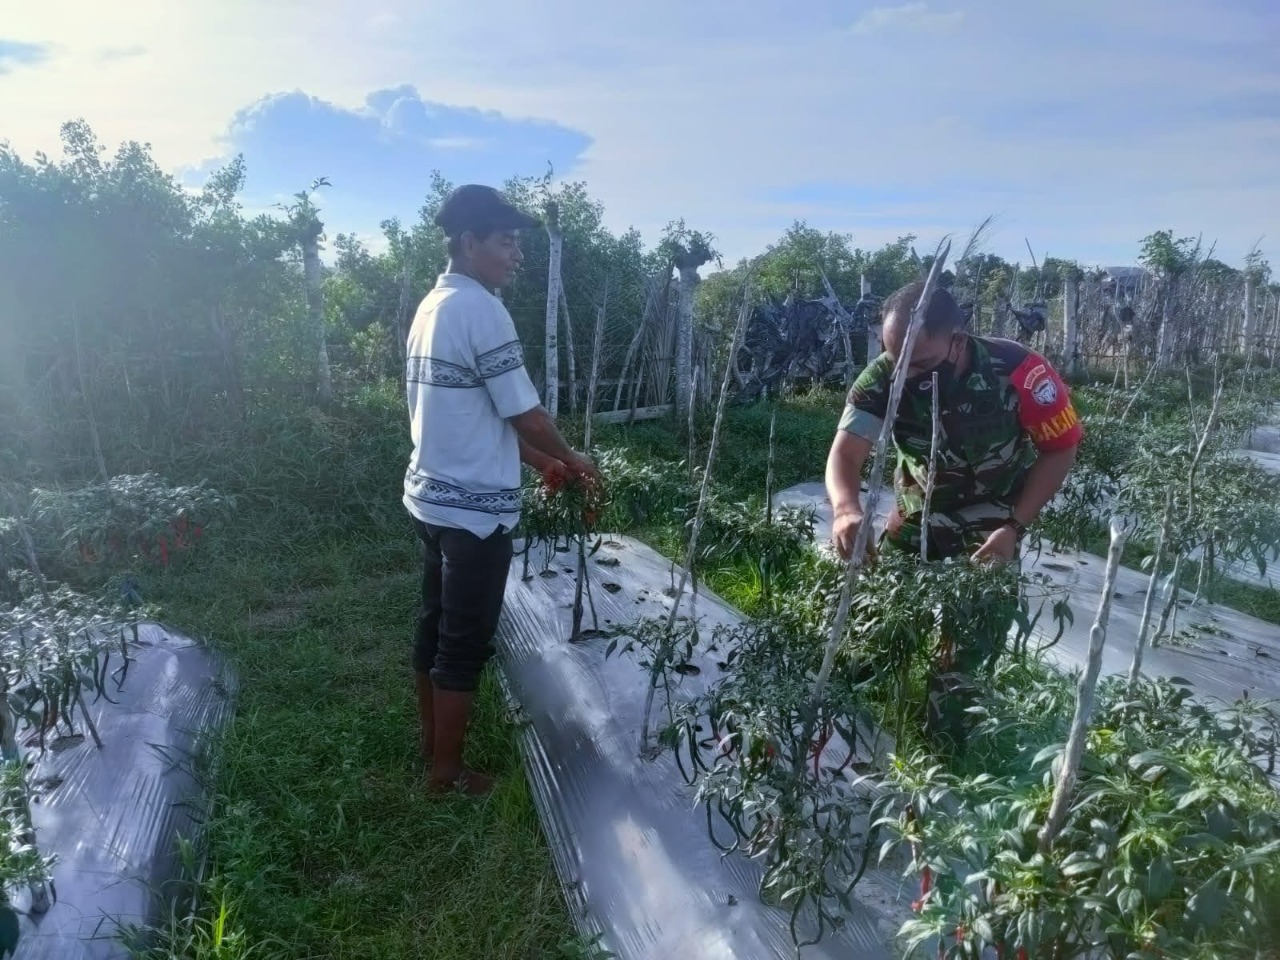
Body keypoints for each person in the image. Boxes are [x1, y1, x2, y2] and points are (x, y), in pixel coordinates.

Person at [824, 280, 1083, 743]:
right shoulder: (884, 376)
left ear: (957, 341)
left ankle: (941, 750)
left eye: (919, 362)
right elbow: (845, 454)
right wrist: (845, 508)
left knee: (968, 650)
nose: (904, 374)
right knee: (880, 624)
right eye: (895, 359)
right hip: (916, 516)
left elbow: (1060, 450)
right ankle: (849, 732)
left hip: (991, 526)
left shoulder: (1021, 371)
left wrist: (1013, 527)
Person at [404, 184, 597, 796]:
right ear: (470, 243)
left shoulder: (432, 307)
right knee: (463, 641)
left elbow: (478, 417)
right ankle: (447, 774)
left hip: (431, 499)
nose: (517, 255)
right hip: (473, 514)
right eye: (506, 242)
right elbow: (524, 413)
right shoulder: (483, 310)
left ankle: (431, 746)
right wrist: (571, 457)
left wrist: (541, 464)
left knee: (435, 625)